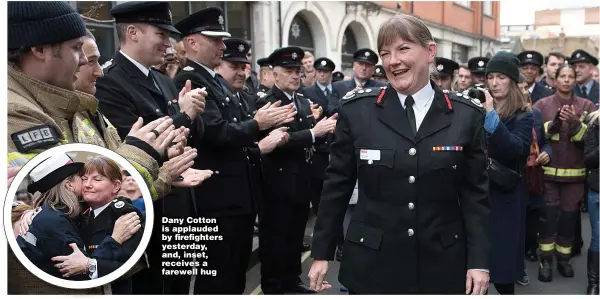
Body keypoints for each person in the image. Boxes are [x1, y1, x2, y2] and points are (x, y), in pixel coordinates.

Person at [308, 14, 491, 294]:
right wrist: (321, 252)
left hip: (441, 263)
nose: (393, 61)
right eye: (385, 53)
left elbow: (475, 195)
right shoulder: (358, 112)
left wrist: (479, 262)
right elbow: (337, 185)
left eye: (403, 49)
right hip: (372, 264)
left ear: (430, 52)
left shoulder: (466, 116)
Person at [173, 9, 294, 294]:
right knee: (218, 278)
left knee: (234, 274)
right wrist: (258, 123)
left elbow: (234, 128)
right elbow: (217, 132)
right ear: (192, 43)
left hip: (236, 196)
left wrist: (256, 124)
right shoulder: (190, 80)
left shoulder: (214, 80)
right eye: (215, 40)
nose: (222, 46)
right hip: (215, 199)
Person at [256, 47, 338, 294]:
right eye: (289, 71)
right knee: (275, 241)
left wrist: (324, 132)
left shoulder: (301, 102)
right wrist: (314, 132)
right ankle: (273, 286)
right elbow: (281, 140)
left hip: (302, 180)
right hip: (277, 185)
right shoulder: (267, 103)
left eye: (298, 71)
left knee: (295, 237)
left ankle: (292, 281)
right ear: (275, 74)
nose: (295, 75)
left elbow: (311, 140)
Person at [18, 154, 141, 282]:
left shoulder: (124, 216)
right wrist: (114, 240)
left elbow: (133, 267)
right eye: (83, 178)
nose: (87, 184)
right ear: (69, 185)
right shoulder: (55, 221)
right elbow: (80, 272)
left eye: (97, 179)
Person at [534, 63, 597, 282]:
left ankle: (563, 259)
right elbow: (539, 138)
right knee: (548, 218)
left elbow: (588, 141)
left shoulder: (586, 105)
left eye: (571, 76)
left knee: (569, 219)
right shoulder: (542, 105)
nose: (567, 80)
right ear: (555, 79)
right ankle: (545, 260)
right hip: (549, 175)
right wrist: (556, 123)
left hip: (575, 176)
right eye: (563, 76)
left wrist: (573, 122)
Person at [480, 52, 534, 294]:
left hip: (506, 196)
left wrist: (491, 116)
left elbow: (516, 149)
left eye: (500, 77)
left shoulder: (524, 115)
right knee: (474, 266)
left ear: (511, 81)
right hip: (477, 193)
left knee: (502, 269)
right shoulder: (476, 108)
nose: (494, 82)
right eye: (490, 77)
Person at [330, 48, 386, 114]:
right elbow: (331, 111)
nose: (364, 68)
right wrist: (346, 99)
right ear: (353, 65)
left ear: (373, 69)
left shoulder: (381, 87)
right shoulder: (338, 86)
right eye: (361, 64)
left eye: (368, 65)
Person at [584, 110, 599, 294]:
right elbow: (588, 159)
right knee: (599, 237)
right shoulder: (595, 123)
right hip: (598, 188)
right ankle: (594, 284)